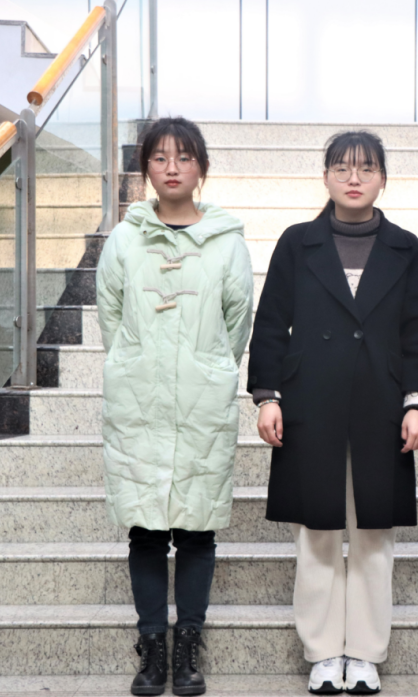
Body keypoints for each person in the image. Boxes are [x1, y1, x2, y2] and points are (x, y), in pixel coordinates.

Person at [247, 130, 418, 695]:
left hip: (382, 406)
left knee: (373, 535)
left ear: (383, 178)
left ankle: (364, 653)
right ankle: (322, 652)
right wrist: (267, 396)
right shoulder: (298, 242)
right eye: (341, 168)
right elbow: (271, 322)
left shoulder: (405, 247)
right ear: (326, 176)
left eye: (365, 168)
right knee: (316, 533)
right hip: (310, 403)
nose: (353, 178)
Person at [96, 117, 254, 696]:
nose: (171, 168)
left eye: (184, 158)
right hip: (138, 399)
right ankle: (151, 648)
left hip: (200, 401)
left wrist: (207, 368)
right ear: (146, 169)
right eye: (160, 158)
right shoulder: (124, 239)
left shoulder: (227, 242)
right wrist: (137, 363)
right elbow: (111, 317)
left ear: (201, 169)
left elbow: (238, 322)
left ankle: (188, 645)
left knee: (196, 529)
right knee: (144, 529)